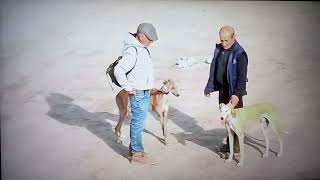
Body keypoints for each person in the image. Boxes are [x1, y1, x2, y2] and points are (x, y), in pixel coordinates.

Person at [114, 23, 158, 163]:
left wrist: (149, 87)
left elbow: (142, 71)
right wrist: (128, 87)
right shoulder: (133, 50)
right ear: (141, 36)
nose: (151, 42)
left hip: (144, 91)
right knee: (138, 123)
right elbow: (119, 70)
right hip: (137, 92)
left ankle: (134, 150)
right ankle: (137, 154)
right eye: (150, 39)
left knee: (139, 122)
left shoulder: (142, 48)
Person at [204, 26, 248, 154]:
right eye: (222, 40)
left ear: (233, 37)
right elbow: (215, 68)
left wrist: (236, 95)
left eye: (226, 40)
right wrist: (209, 86)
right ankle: (230, 144)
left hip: (234, 92)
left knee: (236, 120)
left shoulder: (240, 54)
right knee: (227, 119)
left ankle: (237, 147)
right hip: (223, 90)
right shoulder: (220, 50)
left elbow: (241, 77)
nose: (224, 43)